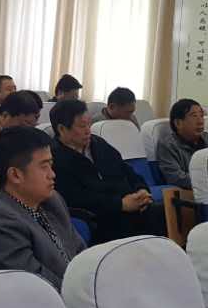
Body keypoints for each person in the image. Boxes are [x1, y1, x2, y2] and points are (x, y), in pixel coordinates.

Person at [0, 126, 85, 288]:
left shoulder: (53, 202)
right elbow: (36, 284)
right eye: (44, 166)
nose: (52, 174)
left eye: (51, 165)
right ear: (15, 175)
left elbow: (82, 254)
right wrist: (81, 293)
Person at [50, 99, 167, 243]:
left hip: (128, 206)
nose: (88, 130)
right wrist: (120, 204)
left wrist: (141, 189)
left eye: (89, 124)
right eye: (82, 126)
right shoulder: (54, 158)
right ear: (62, 129)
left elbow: (126, 170)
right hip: (102, 217)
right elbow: (76, 198)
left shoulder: (98, 143)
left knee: (167, 212)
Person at [158, 99, 208, 189]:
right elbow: (176, 178)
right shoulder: (168, 145)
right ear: (178, 123)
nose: (200, 121)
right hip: (191, 192)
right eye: (194, 116)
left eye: (201, 116)